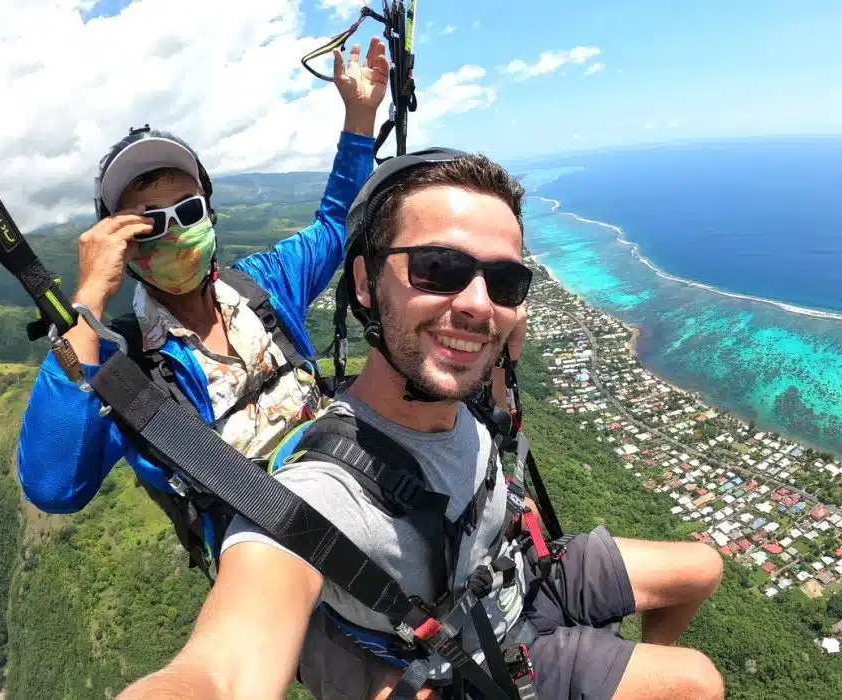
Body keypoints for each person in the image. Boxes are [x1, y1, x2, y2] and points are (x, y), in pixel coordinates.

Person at [113, 149, 726, 700]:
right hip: (477, 648)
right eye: (437, 268)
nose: (478, 304)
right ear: (364, 283)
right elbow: (224, 669)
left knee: (703, 568)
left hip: (519, 569)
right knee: (695, 683)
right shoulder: (322, 495)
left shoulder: (476, 376)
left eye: (505, 281)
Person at [15, 39, 391, 574]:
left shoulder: (262, 285)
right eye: (148, 222)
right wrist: (89, 296)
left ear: (210, 215)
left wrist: (359, 116)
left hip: (360, 491)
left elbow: (335, 225)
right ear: (120, 242)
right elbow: (54, 485)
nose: (174, 231)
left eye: (187, 209)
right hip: (279, 573)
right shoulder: (127, 370)